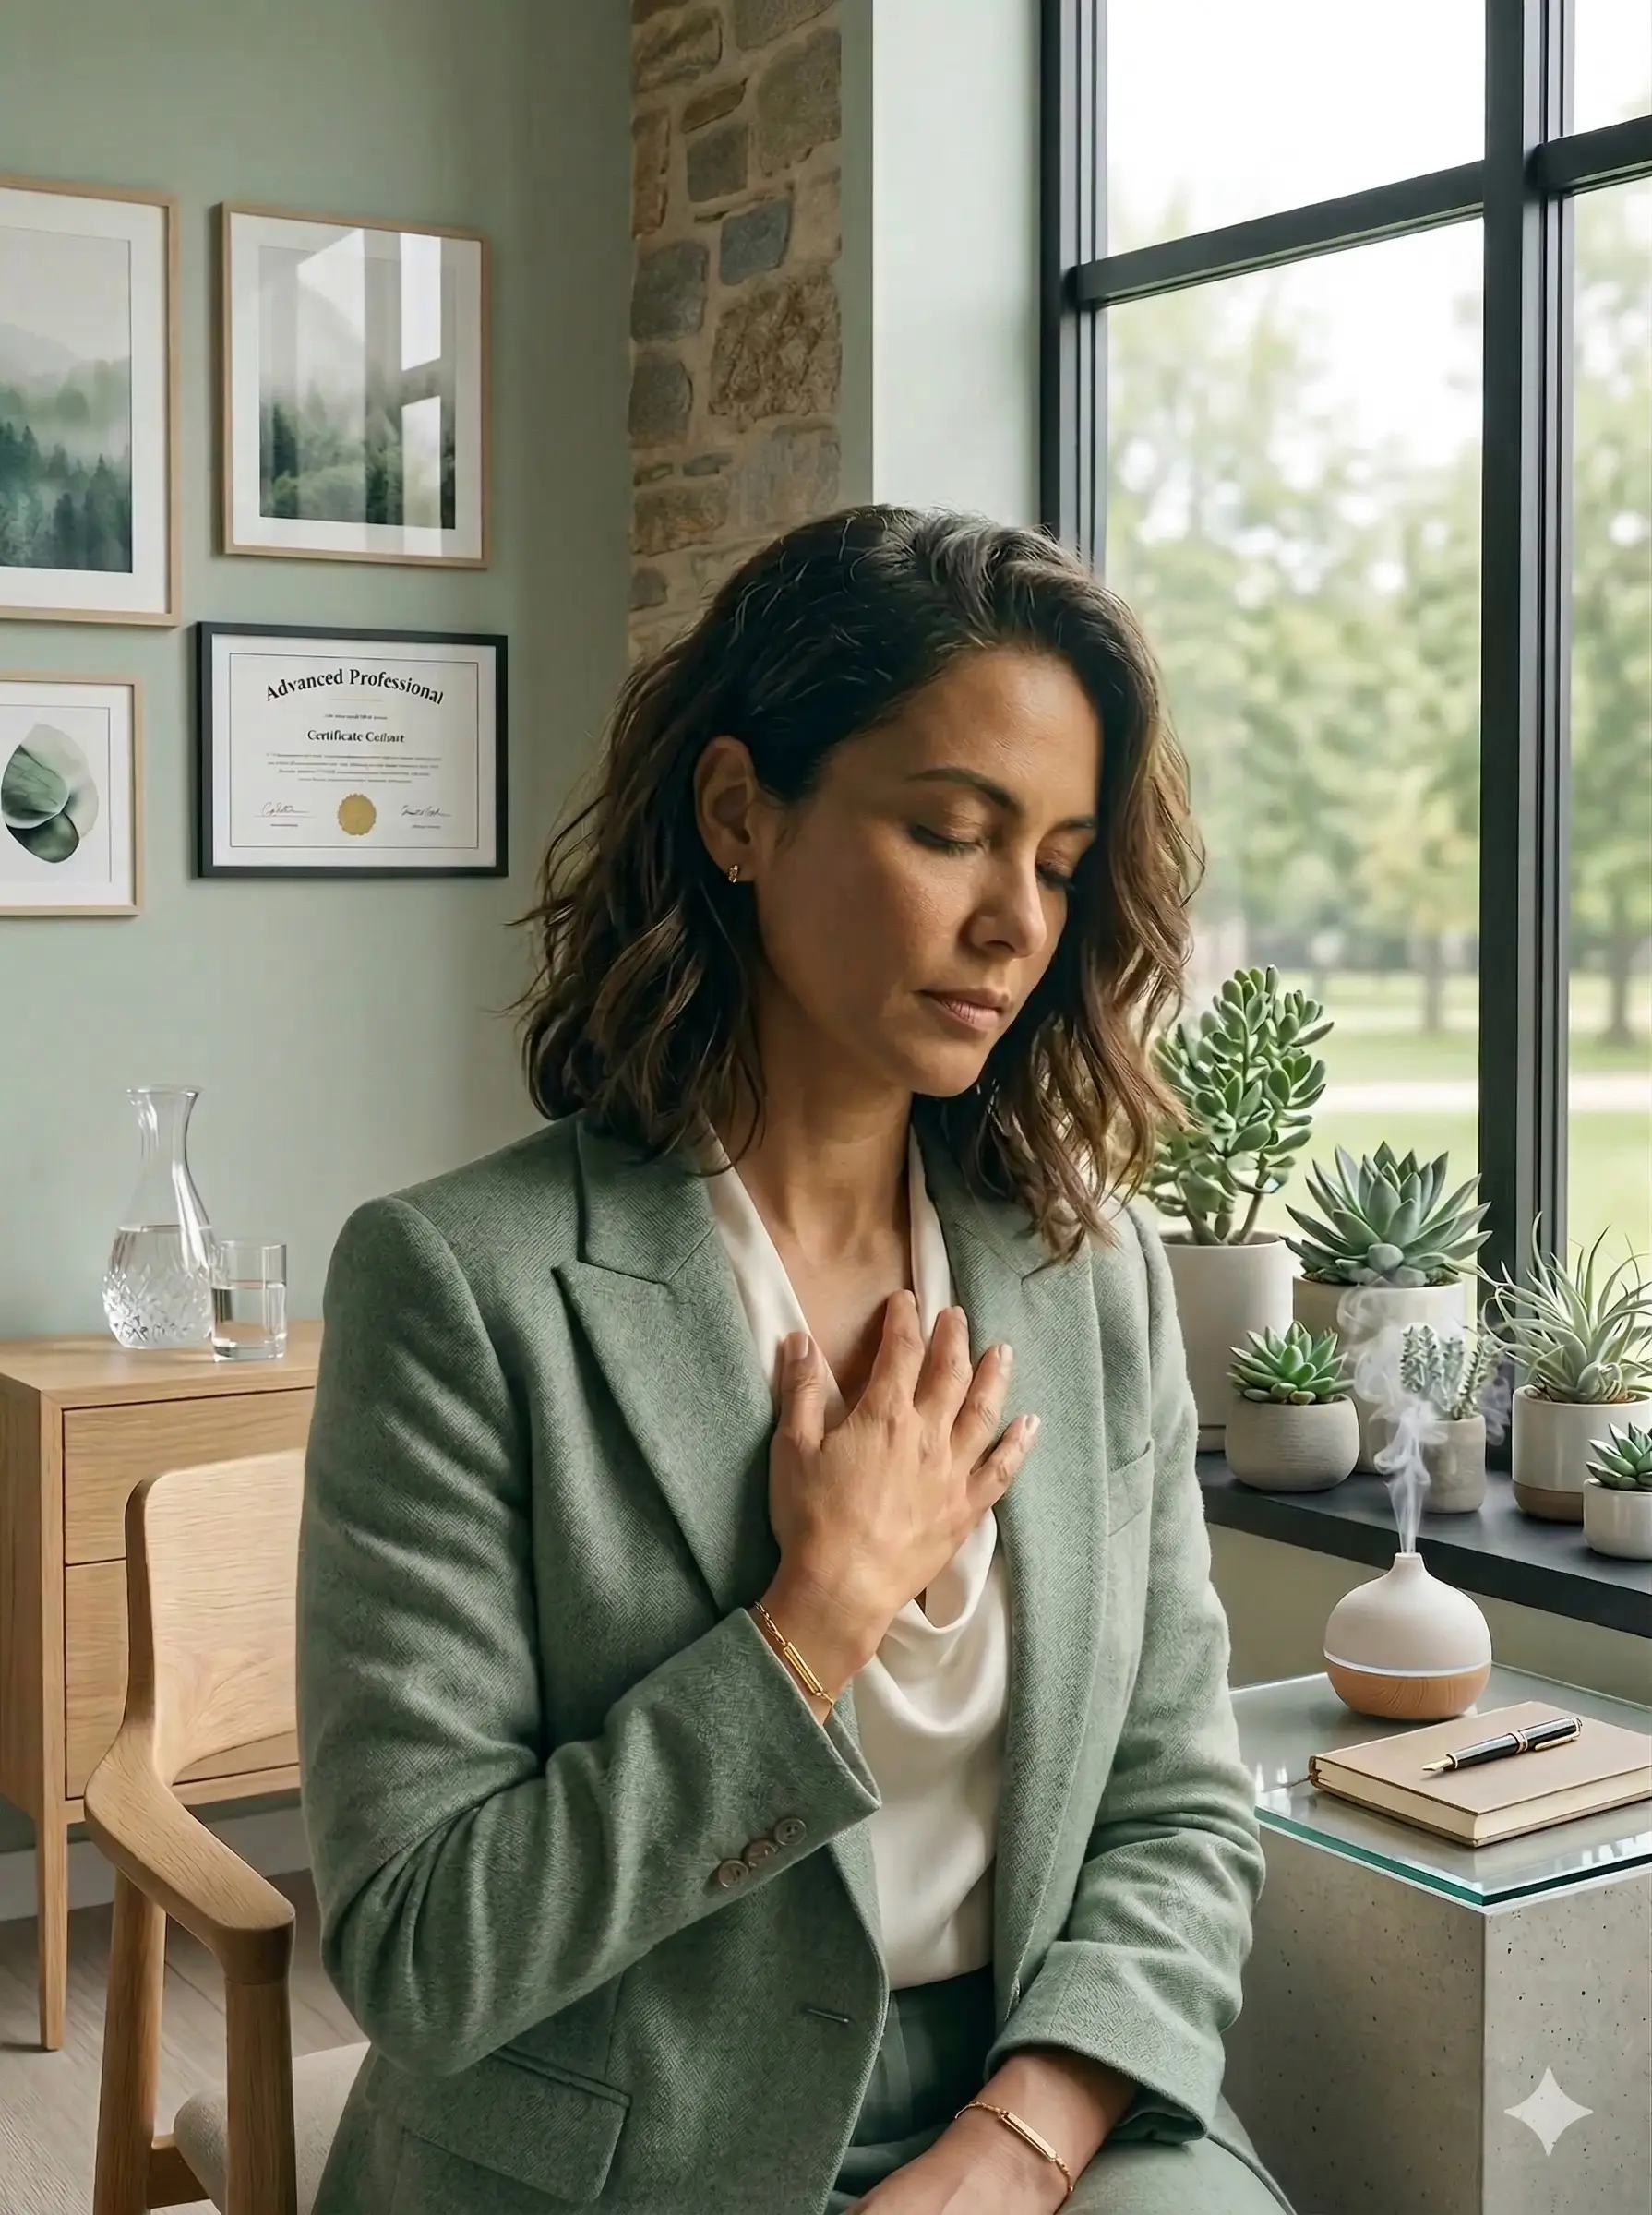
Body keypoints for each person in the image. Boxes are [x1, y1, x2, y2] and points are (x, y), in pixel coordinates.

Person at [297, 506, 1299, 2215]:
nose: (1012, 925)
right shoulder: (459, 1286)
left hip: (1034, 2099)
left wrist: (1021, 2140)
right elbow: (423, 1954)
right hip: (618, 2146)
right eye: (948, 832)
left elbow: (1177, 1809)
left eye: (1055, 863)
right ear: (740, 812)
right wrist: (812, 1619)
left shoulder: (1099, 1272)